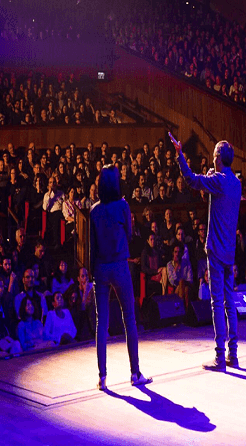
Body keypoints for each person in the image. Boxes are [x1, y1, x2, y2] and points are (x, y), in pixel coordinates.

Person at [171, 135, 241, 371]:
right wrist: (212, 175)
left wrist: (180, 154)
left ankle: (220, 357)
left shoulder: (219, 181)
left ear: (219, 159)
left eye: (213, 156)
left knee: (216, 303)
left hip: (216, 249)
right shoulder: (236, 183)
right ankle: (233, 354)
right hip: (230, 250)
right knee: (229, 301)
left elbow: (191, 180)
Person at [90, 164, 151, 390]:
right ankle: (135, 373)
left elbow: (92, 246)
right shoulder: (123, 206)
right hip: (119, 265)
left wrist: (91, 273)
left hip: (100, 268)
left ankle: (102, 377)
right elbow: (128, 234)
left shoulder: (94, 210)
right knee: (129, 319)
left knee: (101, 322)